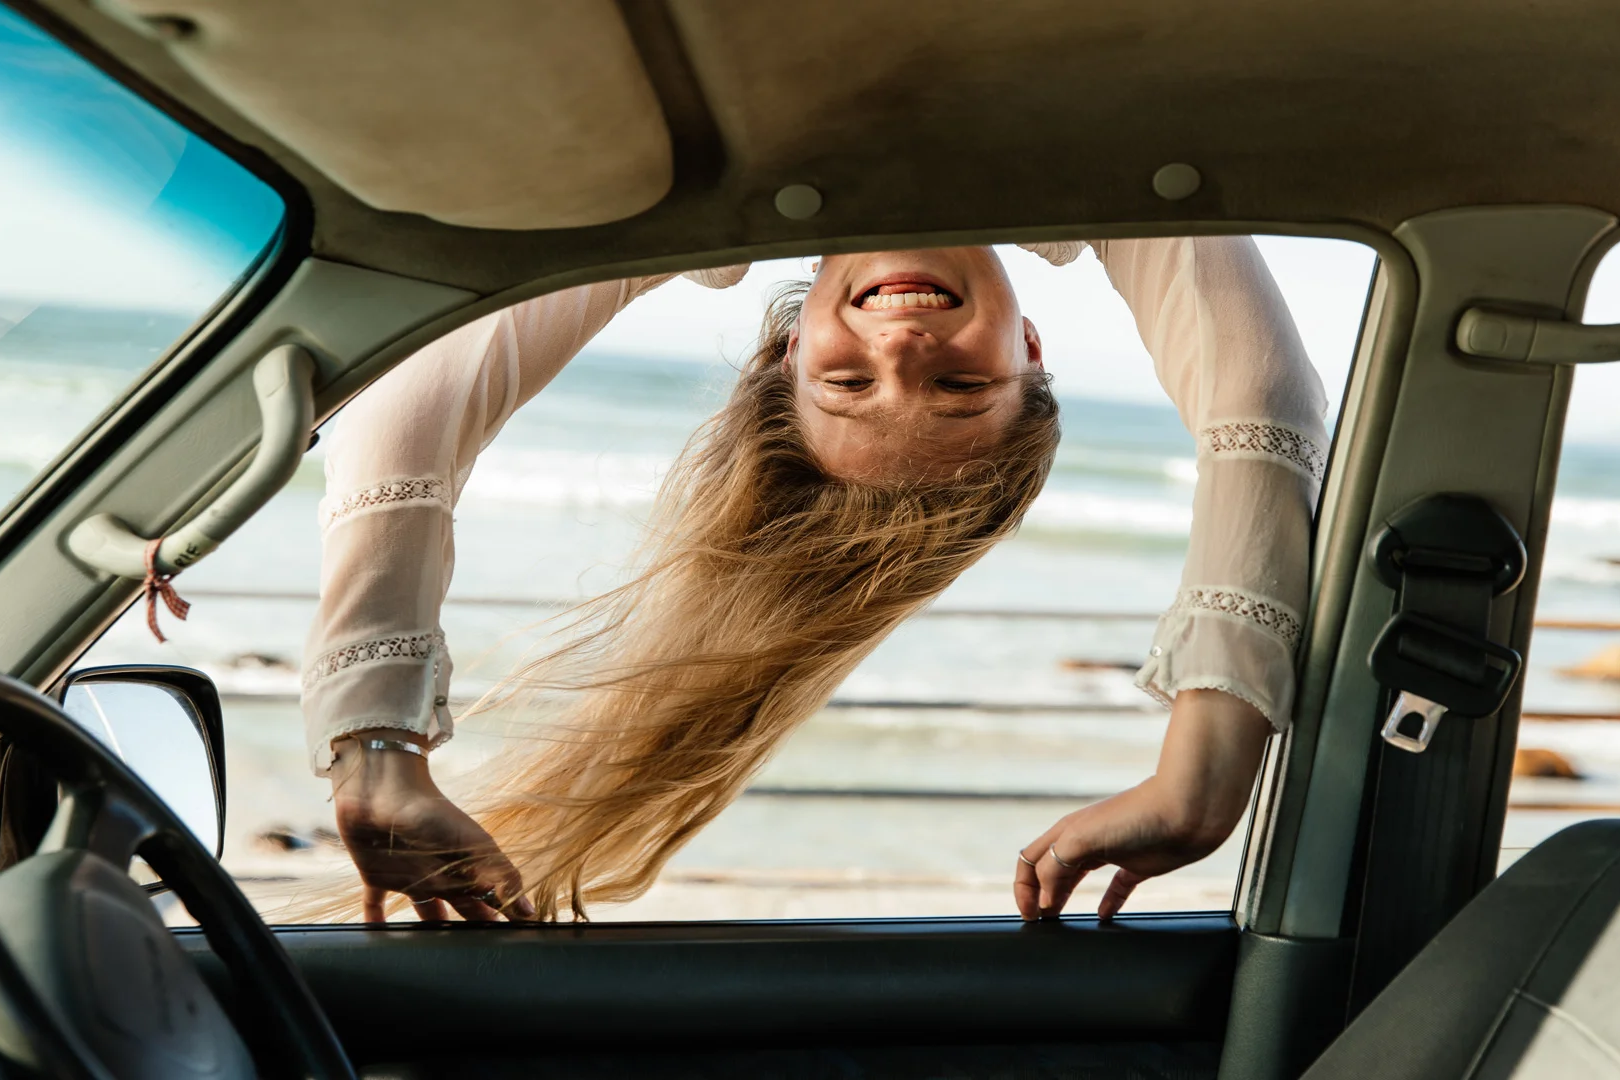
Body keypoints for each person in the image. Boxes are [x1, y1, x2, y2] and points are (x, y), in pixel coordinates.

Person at [300, 238, 1325, 923]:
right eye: (961, 387)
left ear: (793, 350)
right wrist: (1207, 766)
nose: (904, 347)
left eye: (848, 381)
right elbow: (1261, 401)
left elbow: (407, 412)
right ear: (1029, 351)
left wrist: (374, 743)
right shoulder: (1109, 171)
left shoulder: (688, 196)